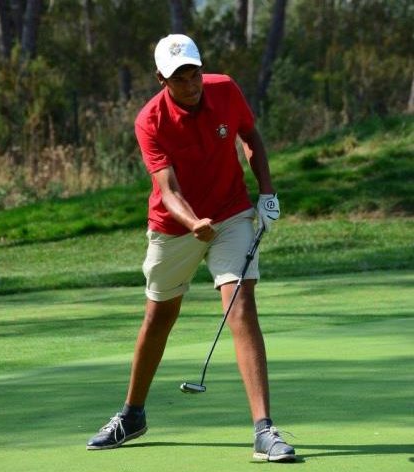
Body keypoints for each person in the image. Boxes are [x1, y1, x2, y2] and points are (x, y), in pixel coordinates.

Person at [86, 34, 295, 463]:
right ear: (161, 78)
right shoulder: (150, 121)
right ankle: (132, 414)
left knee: (240, 306)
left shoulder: (225, 89)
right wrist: (192, 222)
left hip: (233, 212)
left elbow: (250, 135)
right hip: (174, 226)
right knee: (159, 316)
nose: (191, 82)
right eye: (180, 76)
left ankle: (264, 430)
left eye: (195, 71)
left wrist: (267, 192)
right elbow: (167, 188)